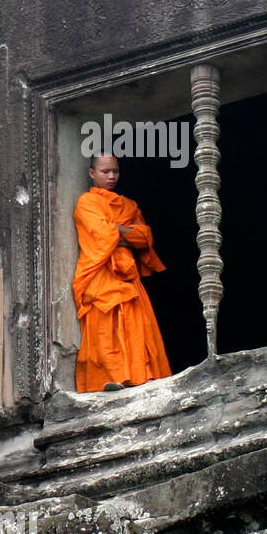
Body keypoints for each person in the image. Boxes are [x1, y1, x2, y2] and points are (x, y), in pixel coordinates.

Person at [72, 154, 172, 392]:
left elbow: (145, 238)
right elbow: (102, 235)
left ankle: (140, 376)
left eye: (115, 171)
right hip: (100, 274)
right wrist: (125, 234)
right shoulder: (87, 202)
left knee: (136, 326)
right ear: (92, 174)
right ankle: (110, 379)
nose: (111, 176)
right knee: (104, 330)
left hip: (127, 275)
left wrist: (117, 232)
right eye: (105, 171)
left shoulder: (129, 206)